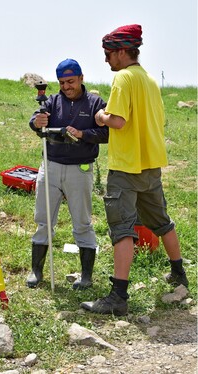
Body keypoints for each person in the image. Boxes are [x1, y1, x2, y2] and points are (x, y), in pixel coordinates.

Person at [81, 24, 188, 316]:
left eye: (108, 53)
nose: (106, 60)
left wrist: (100, 115)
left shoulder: (124, 79)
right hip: (150, 165)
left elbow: (118, 121)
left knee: (122, 229)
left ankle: (118, 296)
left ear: (121, 51)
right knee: (162, 222)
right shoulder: (150, 80)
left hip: (126, 167)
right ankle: (179, 274)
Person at [26, 59, 108, 290]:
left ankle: (86, 277)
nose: (66, 86)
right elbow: (34, 120)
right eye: (62, 82)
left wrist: (82, 134)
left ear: (81, 78)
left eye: (70, 81)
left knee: (82, 223)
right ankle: (36, 272)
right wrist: (36, 122)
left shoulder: (95, 103)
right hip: (50, 166)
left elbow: (107, 133)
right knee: (43, 220)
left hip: (80, 169)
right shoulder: (51, 101)